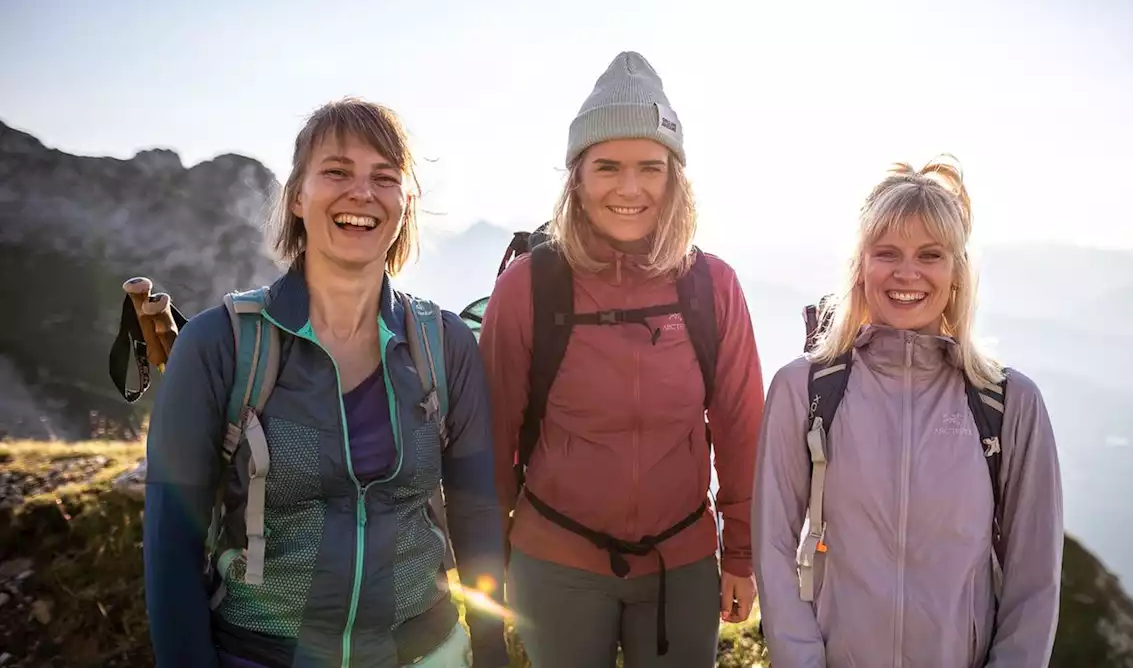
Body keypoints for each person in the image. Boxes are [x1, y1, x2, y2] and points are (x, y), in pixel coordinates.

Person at [140, 98, 509, 668]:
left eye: (385, 177)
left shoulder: (446, 345)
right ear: (296, 196)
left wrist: (490, 653)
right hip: (259, 655)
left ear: (405, 204)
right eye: (336, 171)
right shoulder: (219, 345)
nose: (362, 192)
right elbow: (170, 545)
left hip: (425, 653)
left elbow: (477, 514)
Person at [478, 51, 765, 666]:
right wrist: (486, 559)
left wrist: (740, 555)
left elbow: (743, 432)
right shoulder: (531, 285)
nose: (629, 188)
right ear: (577, 178)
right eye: (607, 166)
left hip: (680, 564)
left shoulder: (711, 287)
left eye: (650, 168)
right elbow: (493, 431)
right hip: (555, 562)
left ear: (675, 178)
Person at [751, 157, 1064, 667]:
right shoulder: (803, 389)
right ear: (860, 266)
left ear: (957, 272)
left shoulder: (1009, 403)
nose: (907, 272)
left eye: (930, 254)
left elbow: (1035, 577)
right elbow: (773, 546)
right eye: (887, 253)